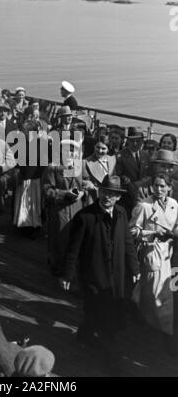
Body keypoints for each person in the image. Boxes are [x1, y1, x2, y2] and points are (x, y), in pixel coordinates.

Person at [60, 175, 140, 352]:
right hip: (93, 271)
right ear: (99, 191)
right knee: (93, 306)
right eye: (104, 192)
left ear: (118, 197)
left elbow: (127, 242)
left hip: (116, 271)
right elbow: (73, 249)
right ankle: (91, 339)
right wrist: (67, 274)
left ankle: (99, 338)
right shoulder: (85, 216)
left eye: (112, 194)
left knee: (113, 305)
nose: (107, 197)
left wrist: (134, 267)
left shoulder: (121, 213)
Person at [130, 173, 178, 355]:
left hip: (168, 253)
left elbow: (175, 226)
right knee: (155, 294)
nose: (159, 189)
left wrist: (173, 234)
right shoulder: (144, 206)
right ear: (151, 187)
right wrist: (152, 234)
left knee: (163, 296)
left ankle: (159, 330)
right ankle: (161, 332)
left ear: (169, 188)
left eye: (162, 186)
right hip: (151, 252)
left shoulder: (174, 204)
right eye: (156, 186)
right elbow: (132, 229)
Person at [42, 139, 85, 276]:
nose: (70, 153)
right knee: (59, 236)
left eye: (73, 150)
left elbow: (83, 184)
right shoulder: (52, 167)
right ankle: (57, 265)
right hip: (60, 208)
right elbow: (47, 190)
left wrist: (82, 193)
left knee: (74, 236)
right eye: (67, 150)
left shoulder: (78, 166)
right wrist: (64, 193)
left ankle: (70, 266)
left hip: (77, 207)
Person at [116, 126, 151, 215]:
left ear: (142, 141)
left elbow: (149, 174)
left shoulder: (146, 155)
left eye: (138, 141)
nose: (135, 143)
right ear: (127, 141)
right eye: (132, 141)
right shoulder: (120, 156)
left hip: (143, 197)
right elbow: (118, 175)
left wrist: (139, 184)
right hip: (126, 198)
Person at [82, 135, 117, 205]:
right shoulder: (85, 162)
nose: (100, 151)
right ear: (94, 147)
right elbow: (79, 181)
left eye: (103, 148)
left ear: (108, 149)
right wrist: (88, 183)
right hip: (94, 199)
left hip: (110, 199)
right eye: (97, 147)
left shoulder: (113, 159)